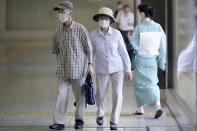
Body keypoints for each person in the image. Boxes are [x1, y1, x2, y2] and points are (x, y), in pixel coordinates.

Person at [49, 1, 93, 130]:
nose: (60, 14)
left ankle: (79, 120)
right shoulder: (57, 32)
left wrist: (90, 65)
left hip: (78, 70)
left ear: (70, 13)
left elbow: (89, 49)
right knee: (61, 95)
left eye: (62, 11)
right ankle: (59, 122)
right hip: (63, 71)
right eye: (59, 11)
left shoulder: (80, 29)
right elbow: (56, 51)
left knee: (80, 97)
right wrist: (58, 66)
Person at [90, 7, 132, 130]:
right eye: (101, 18)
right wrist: (89, 65)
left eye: (105, 18)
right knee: (100, 94)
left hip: (117, 68)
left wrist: (128, 69)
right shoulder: (93, 34)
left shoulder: (117, 34)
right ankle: (100, 112)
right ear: (98, 20)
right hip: (101, 68)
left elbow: (124, 53)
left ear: (110, 20)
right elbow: (91, 52)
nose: (103, 20)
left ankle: (114, 120)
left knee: (118, 94)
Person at [128, 3, 166, 118]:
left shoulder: (139, 28)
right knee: (153, 83)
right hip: (152, 60)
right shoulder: (158, 27)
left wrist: (130, 40)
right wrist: (161, 61)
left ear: (142, 13)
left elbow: (134, 45)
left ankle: (141, 108)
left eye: (139, 13)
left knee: (139, 85)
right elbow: (163, 46)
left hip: (141, 60)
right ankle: (158, 106)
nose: (139, 15)